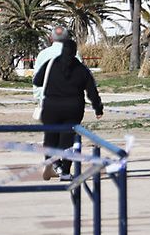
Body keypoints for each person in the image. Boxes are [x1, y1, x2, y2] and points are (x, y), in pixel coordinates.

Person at [33, 37, 103, 181]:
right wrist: (98, 108)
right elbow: (92, 91)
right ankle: (65, 171)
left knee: (50, 138)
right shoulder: (81, 69)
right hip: (74, 108)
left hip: (51, 107)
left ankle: (55, 164)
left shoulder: (50, 64)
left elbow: (37, 81)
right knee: (68, 140)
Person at [32, 24, 73, 101]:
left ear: (51, 38)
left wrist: (39, 97)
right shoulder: (75, 55)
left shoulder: (43, 55)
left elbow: (36, 79)